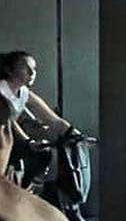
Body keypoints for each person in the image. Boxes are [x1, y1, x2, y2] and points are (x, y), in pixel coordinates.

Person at [1, 50, 74, 188]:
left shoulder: (24, 92)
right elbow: (10, 121)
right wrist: (28, 141)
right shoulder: (2, 90)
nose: (32, 73)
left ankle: (30, 189)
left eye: (33, 69)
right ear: (9, 71)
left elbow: (51, 118)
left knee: (43, 153)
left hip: (12, 139)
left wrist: (73, 133)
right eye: (26, 68)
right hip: (4, 138)